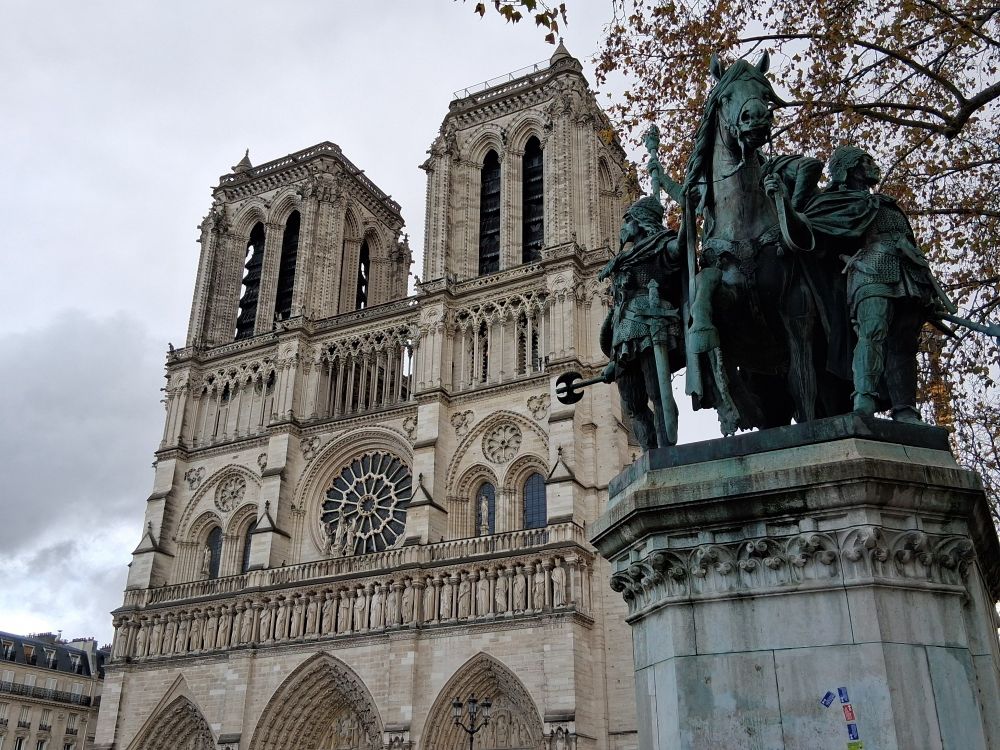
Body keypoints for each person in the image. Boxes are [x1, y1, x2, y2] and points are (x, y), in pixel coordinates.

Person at [806, 146, 955, 421]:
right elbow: (813, 234)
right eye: (866, 161)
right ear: (850, 169)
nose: (874, 165)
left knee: (904, 342)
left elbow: (909, 243)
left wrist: (929, 292)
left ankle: (905, 409)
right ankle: (864, 398)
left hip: (910, 276)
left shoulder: (886, 203)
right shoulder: (836, 202)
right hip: (870, 271)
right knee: (872, 331)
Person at [598, 195, 683, 448]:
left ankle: (666, 453)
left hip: (650, 326)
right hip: (623, 334)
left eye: (628, 221)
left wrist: (688, 215)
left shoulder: (660, 246)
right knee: (632, 404)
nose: (623, 227)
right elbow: (618, 306)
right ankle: (650, 453)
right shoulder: (623, 260)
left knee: (658, 394)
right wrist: (613, 361)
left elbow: (680, 249)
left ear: (640, 221)